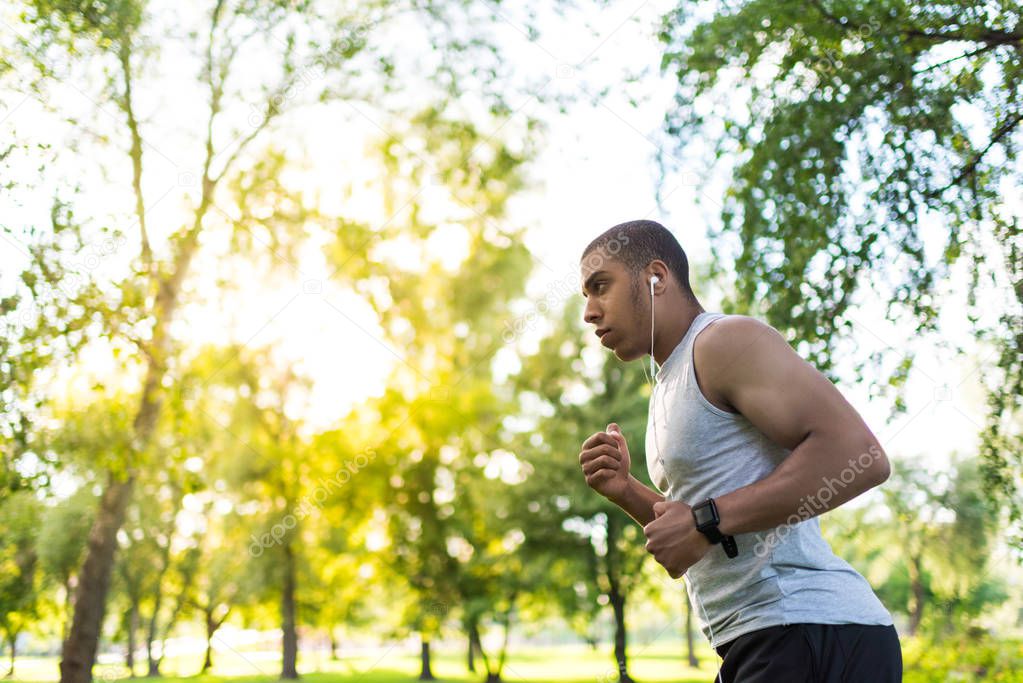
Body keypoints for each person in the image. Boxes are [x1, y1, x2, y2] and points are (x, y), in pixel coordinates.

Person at [576, 219, 902, 682]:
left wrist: (706, 520)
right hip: (769, 638)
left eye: (600, 286)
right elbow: (694, 533)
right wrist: (625, 489)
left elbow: (858, 454)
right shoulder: (668, 385)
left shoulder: (723, 342)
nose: (589, 312)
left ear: (656, 277)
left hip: (807, 629)